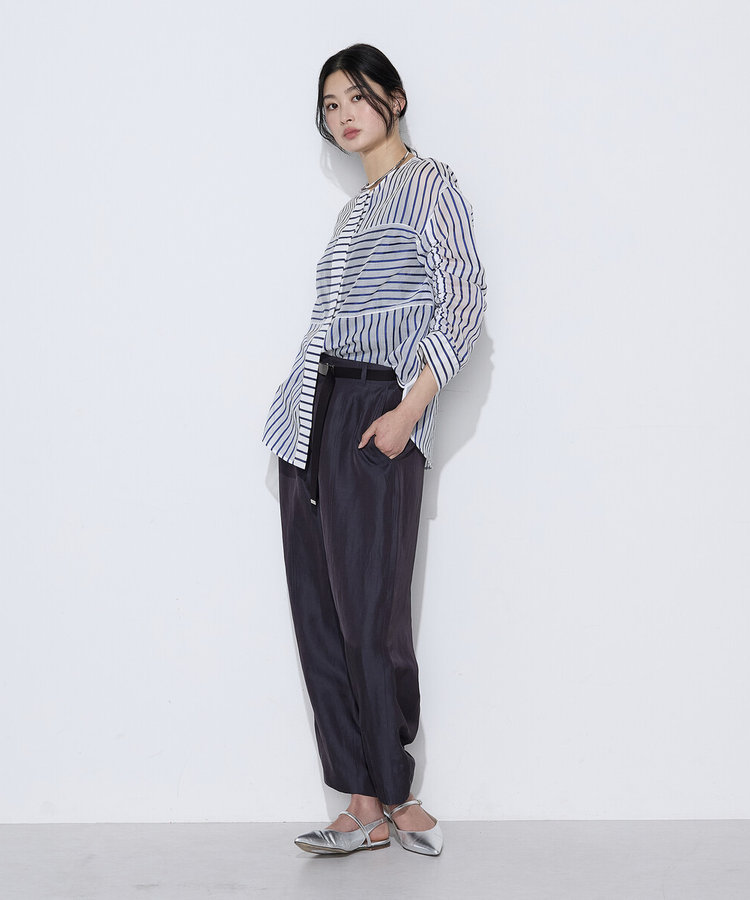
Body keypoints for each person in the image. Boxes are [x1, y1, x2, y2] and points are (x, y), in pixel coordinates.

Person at [262, 42, 487, 856]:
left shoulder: (431, 186)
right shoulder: (353, 211)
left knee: (371, 613)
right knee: (321, 618)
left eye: (356, 96)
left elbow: (463, 298)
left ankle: (398, 792)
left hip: (373, 407)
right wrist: (293, 419)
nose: (343, 114)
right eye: (330, 105)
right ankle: (359, 803)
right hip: (308, 416)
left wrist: (409, 410)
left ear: (394, 97)